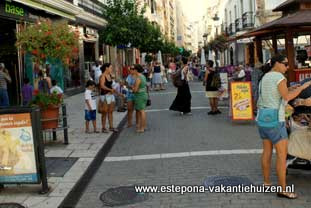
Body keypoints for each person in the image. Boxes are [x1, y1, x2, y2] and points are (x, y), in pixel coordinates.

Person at [257, 54, 311, 199]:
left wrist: (294, 87)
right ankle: (283, 189)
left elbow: (275, 94)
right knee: (282, 157)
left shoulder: (265, 77)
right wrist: (303, 87)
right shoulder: (279, 77)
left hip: (263, 119)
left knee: (266, 152)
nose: (287, 67)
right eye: (285, 64)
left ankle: (266, 183)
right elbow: (287, 97)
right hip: (276, 120)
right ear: (276, 64)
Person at [99, 63, 118, 133]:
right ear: (106, 68)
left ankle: (111, 126)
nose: (111, 69)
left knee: (110, 112)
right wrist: (110, 90)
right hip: (105, 96)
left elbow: (111, 85)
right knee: (104, 112)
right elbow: (102, 86)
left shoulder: (109, 75)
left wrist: (114, 90)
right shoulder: (102, 76)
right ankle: (103, 128)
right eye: (110, 67)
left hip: (111, 95)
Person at [132, 64, 148, 133]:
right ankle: (143, 126)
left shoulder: (138, 78)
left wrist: (132, 88)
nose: (133, 70)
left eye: (133, 69)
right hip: (144, 94)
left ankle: (142, 127)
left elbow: (135, 90)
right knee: (142, 110)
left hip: (139, 96)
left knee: (142, 111)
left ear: (136, 70)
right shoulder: (143, 76)